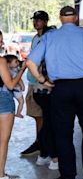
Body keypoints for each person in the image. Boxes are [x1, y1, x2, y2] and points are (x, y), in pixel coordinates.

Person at [27, 6, 83, 179]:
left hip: (61, 89)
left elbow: (30, 62)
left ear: (61, 19)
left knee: (63, 134)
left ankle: (68, 178)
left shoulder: (50, 37)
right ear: (76, 18)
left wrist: (42, 80)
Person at [20, 10, 50, 157]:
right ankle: (39, 141)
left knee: (43, 115)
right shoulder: (35, 38)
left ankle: (43, 144)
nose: (35, 22)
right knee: (36, 115)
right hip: (32, 81)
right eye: (35, 20)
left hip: (42, 83)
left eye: (39, 20)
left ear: (45, 22)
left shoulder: (49, 37)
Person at [0, 30, 26, 179]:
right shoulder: (1, 61)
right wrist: (21, 70)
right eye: (0, 40)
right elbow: (10, 84)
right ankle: (1, 175)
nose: (2, 43)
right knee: (3, 140)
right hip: (3, 98)